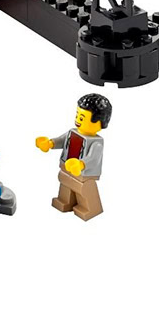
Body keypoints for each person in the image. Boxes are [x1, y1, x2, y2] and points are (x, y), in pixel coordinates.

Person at [36, 93, 112, 221]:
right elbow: (61, 140)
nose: (77, 120)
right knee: (65, 182)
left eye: (82, 118)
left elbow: (93, 159)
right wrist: (50, 143)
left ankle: (89, 208)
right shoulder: (72, 132)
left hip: (83, 174)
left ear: (99, 122)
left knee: (83, 189)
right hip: (67, 168)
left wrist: (81, 164)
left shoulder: (96, 143)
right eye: (77, 115)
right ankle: (65, 201)